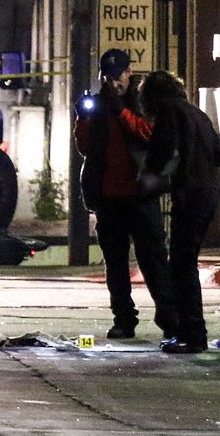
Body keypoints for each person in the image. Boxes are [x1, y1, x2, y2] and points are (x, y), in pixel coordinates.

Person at [74, 48, 178, 340]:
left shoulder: (140, 103)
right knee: (116, 265)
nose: (114, 83)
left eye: (118, 76)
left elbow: (149, 134)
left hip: (140, 195)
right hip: (108, 199)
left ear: (128, 73)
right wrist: (82, 118)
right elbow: (85, 147)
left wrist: (121, 112)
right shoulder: (98, 106)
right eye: (108, 77)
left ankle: (170, 319)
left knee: (154, 260)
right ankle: (124, 319)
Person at [138, 70, 220, 354]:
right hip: (208, 194)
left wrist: (149, 177)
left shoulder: (168, 112)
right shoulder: (197, 114)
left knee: (181, 265)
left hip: (189, 195)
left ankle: (192, 334)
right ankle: (191, 332)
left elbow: (162, 151)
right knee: (185, 262)